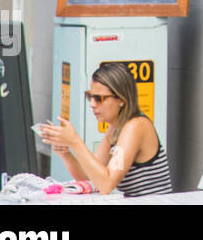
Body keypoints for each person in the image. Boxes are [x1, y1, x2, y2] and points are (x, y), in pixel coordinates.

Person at [39, 62, 172, 196]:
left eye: (98, 98)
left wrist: (75, 142)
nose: (92, 104)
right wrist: (65, 152)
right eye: (90, 96)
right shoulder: (116, 127)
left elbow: (106, 184)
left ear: (121, 99)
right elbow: (90, 177)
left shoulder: (135, 126)